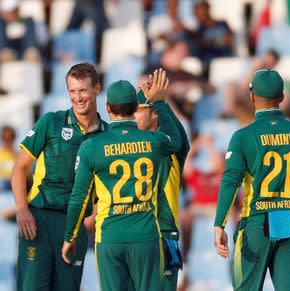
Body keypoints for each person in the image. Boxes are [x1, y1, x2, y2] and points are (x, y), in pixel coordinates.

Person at [62, 70, 181, 291]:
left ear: (107, 108)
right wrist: (160, 103)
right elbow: (176, 141)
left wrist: (70, 235)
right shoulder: (154, 141)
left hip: (109, 236)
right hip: (146, 235)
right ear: (136, 109)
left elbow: (78, 198)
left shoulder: (92, 146)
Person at [11, 62, 108, 291]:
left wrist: (93, 217)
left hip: (75, 227)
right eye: (72, 91)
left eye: (83, 90)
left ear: (97, 89)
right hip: (38, 221)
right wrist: (22, 208)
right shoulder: (51, 122)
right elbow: (19, 167)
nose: (78, 97)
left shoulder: (107, 135)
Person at [214, 69, 290, 290]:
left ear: (252, 97)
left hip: (257, 221)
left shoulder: (243, 136)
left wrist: (220, 223)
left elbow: (230, 181)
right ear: (283, 98)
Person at [132, 84, 190, 290]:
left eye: (137, 110)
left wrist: (161, 101)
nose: (132, 116)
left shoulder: (170, 148)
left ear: (154, 114)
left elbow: (182, 141)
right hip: (135, 234)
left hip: (163, 233)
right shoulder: (128, 145)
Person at [0, 125, 19, 189]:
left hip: (16, 186)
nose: (8, 141)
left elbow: (26, 175)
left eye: (10, 138)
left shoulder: (19, 156)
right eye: (6, 138)